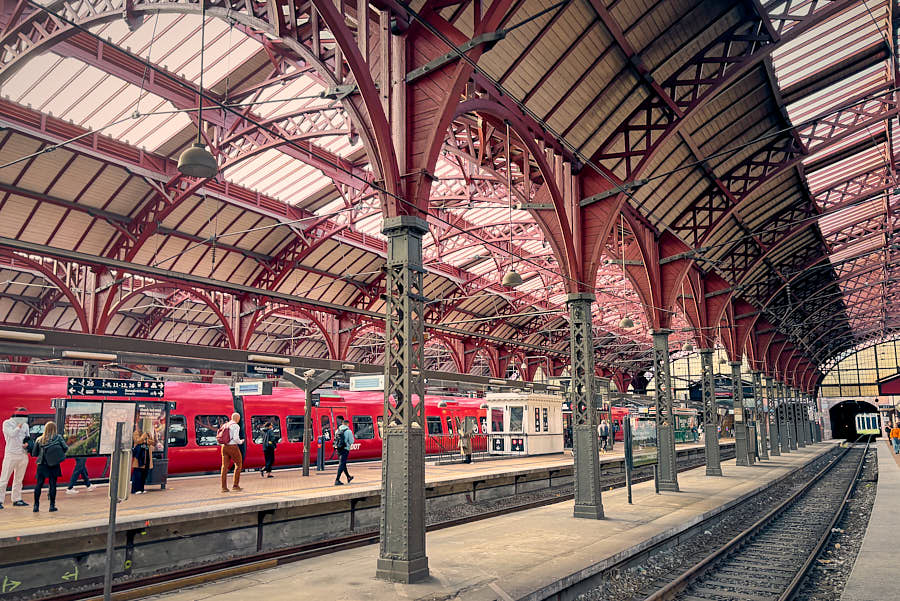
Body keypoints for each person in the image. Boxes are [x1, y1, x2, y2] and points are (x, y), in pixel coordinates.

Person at [31, 421, 67, 512]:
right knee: (53, 485)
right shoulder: (58, 437)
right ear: (54, 429)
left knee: (39, 484)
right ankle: (52, 506)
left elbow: (34, 453)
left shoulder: (39, 439)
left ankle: (36, 506)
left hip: (42, 465)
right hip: (54, 464)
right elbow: (66, 448)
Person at [1, 407, 30, 508]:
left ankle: (17, 499)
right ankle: (0, 500)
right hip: (11, 454)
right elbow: (12, 434)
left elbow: (27, 437)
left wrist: (27, 443)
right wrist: (19, 426)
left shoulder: (26, 425)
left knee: (19, 479)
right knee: (4, 479)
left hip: (23, 454)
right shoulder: (7, 423)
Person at [219, 413, 243, 492]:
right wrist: (241, 441)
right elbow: (236, 438)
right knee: (238, 464)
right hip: (233, 447)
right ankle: (235, 486)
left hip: (224, 447)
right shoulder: (236, 426)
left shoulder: (225, 425)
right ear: (237, 418)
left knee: (224, 467)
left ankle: (224, 488)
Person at [333, 415, 354, 485]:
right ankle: (337, 480)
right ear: (347, 424)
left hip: (338, 449)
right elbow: (351, 441)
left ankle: (348, 477)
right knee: (342, 464)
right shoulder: (348, 431)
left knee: (343, 463)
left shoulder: (337, 430)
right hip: (345, 449)